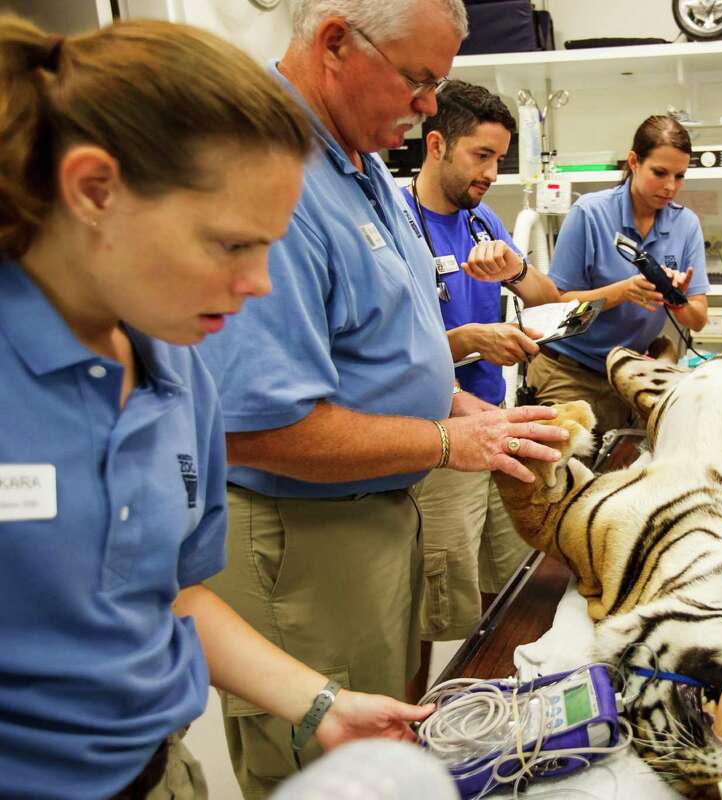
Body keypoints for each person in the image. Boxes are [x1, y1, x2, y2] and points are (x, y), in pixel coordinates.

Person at [0, 15, 447, 800]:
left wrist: (322, 705)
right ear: (94, 190)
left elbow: (168, 594)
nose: (260, 285)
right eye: (229, 245)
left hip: (158, 771)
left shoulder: (176, 364)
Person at [193, 1, 568, 795]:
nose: (430, 104)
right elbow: (253, 423)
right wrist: (444, 442)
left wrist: (472, 413)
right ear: (335, 43)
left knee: (385, 736)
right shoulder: (275, 173)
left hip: (371, 518)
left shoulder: (359, 167)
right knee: (329, 767)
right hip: (304, 541)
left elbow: (382, 349)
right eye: (419, 79)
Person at [400, 80, 562, 699]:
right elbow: (391, 360)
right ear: (436, 143)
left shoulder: (480, 219)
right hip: (438, 437)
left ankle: (490, 696)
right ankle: (414, 725)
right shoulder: (401, 229)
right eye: (481, 156)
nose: (492, 172)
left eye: (500, 158)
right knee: (431, 602)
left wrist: (516, 273)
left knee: (506, 572)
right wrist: (468, 340)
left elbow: (547, 297)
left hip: (494, 421)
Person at [525, 114, 710, 438]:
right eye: (660, 173)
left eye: (680, 176)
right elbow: (556, 305)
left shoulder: (686, 225)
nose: (671, 187)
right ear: (634, 162)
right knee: (561, 477)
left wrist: (675, 297)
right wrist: (624, 291)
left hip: (631, 376)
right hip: (569, 371)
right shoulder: (589, 214)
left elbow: (697, 320)